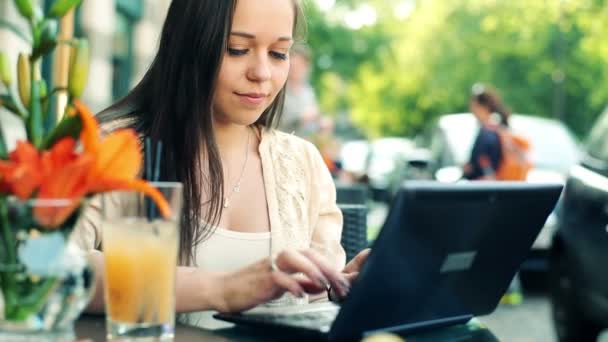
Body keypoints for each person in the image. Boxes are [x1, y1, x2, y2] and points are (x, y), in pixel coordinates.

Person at [73, 0, 370, 326]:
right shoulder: (114, 150)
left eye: (278, 53)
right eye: (237, 49)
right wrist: (221, 289)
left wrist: (339, 287)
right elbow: (53, 267)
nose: (261, 73)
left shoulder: (303, 164)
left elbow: (308, 306)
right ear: (189, 44)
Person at [463, 83, 509, 180]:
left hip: (483, 189)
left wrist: (470, 169)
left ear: (484, 107)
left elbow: (485, 164)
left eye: (474, 106)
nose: (471, 110)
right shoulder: (497, 127)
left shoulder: (488, 132)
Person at [279, 44, 320, 136]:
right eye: (293, 66)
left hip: (302, 144)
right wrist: (301, 119)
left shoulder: (308, 92)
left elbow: (312, 124)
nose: (296, 70)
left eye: (301, 65)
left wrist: (321, 123)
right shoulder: (278, 91)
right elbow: (273, 123)